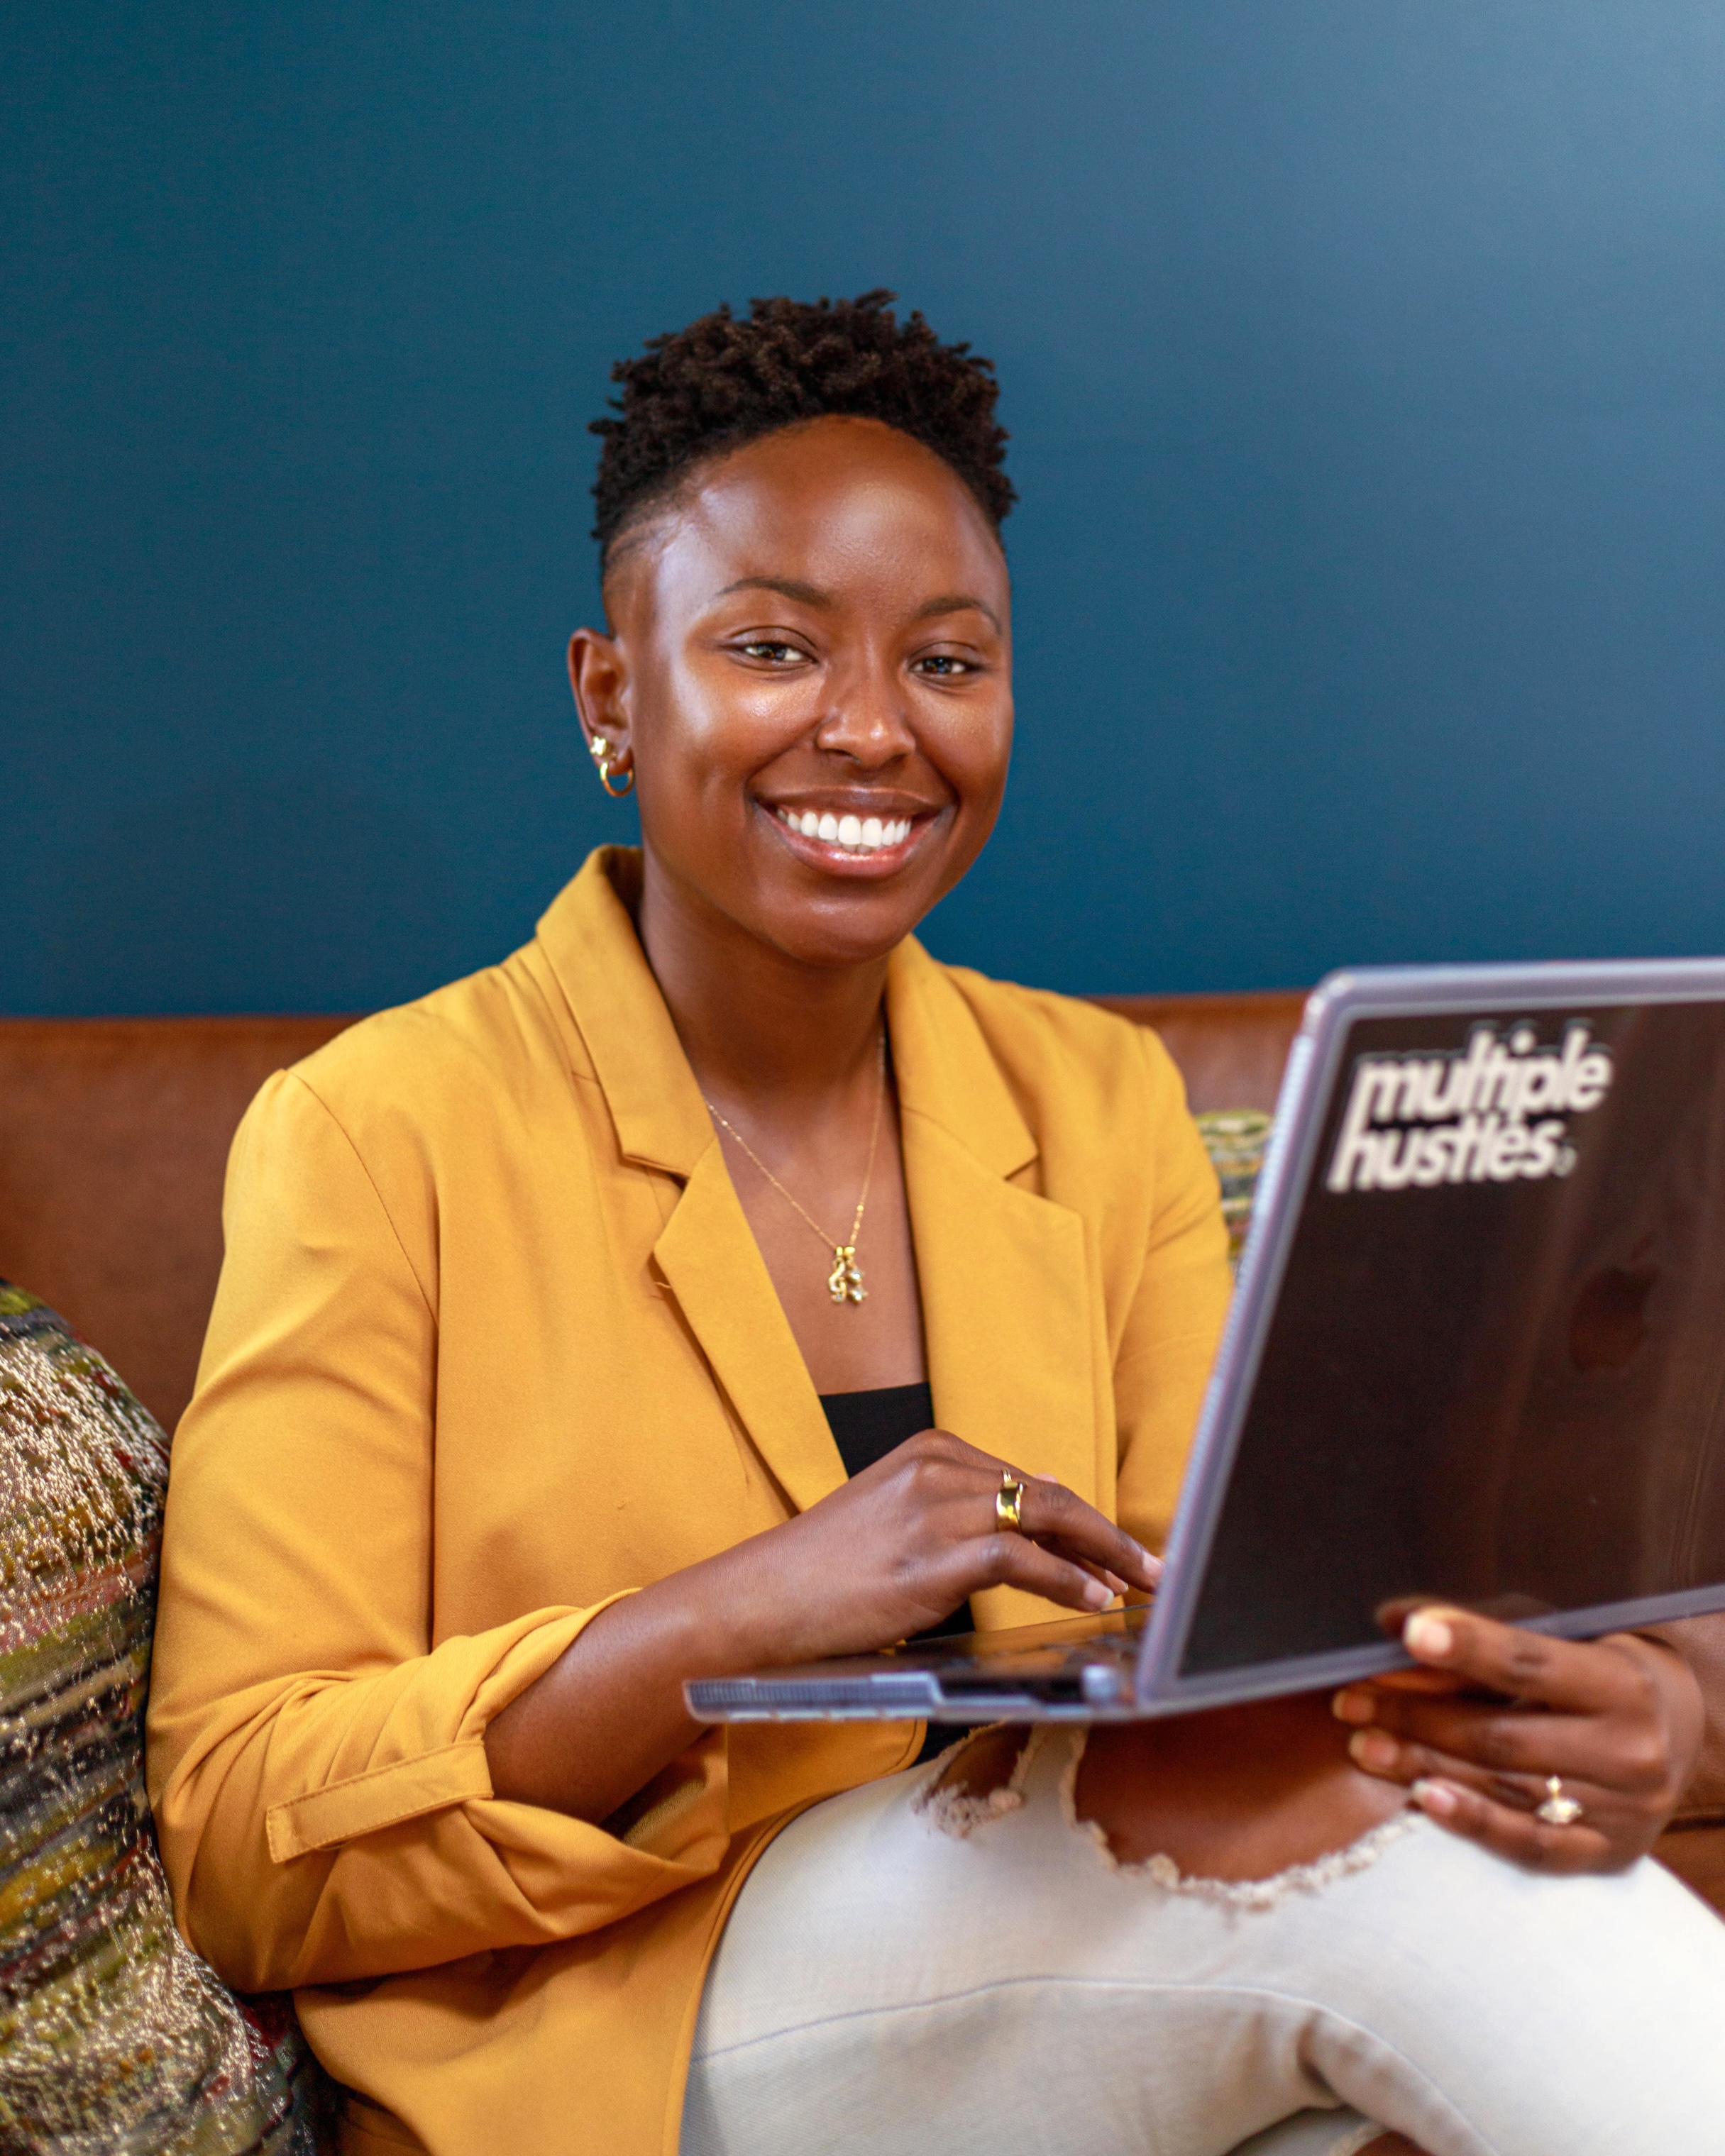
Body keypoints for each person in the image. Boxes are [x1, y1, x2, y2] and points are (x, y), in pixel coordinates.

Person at [148, 293, 1725, 2156]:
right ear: (610, 696)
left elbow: (1232, 1653)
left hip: (1067, 1955)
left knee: (1390, 1927)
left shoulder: (1095, 1103)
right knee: (1375, 1859)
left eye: (948, 662)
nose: (873, 730)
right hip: (630, 2015)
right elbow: (239, 1830)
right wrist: (730, 1616)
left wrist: (1650, 1712)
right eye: (772, 647)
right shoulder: (376, 1133)